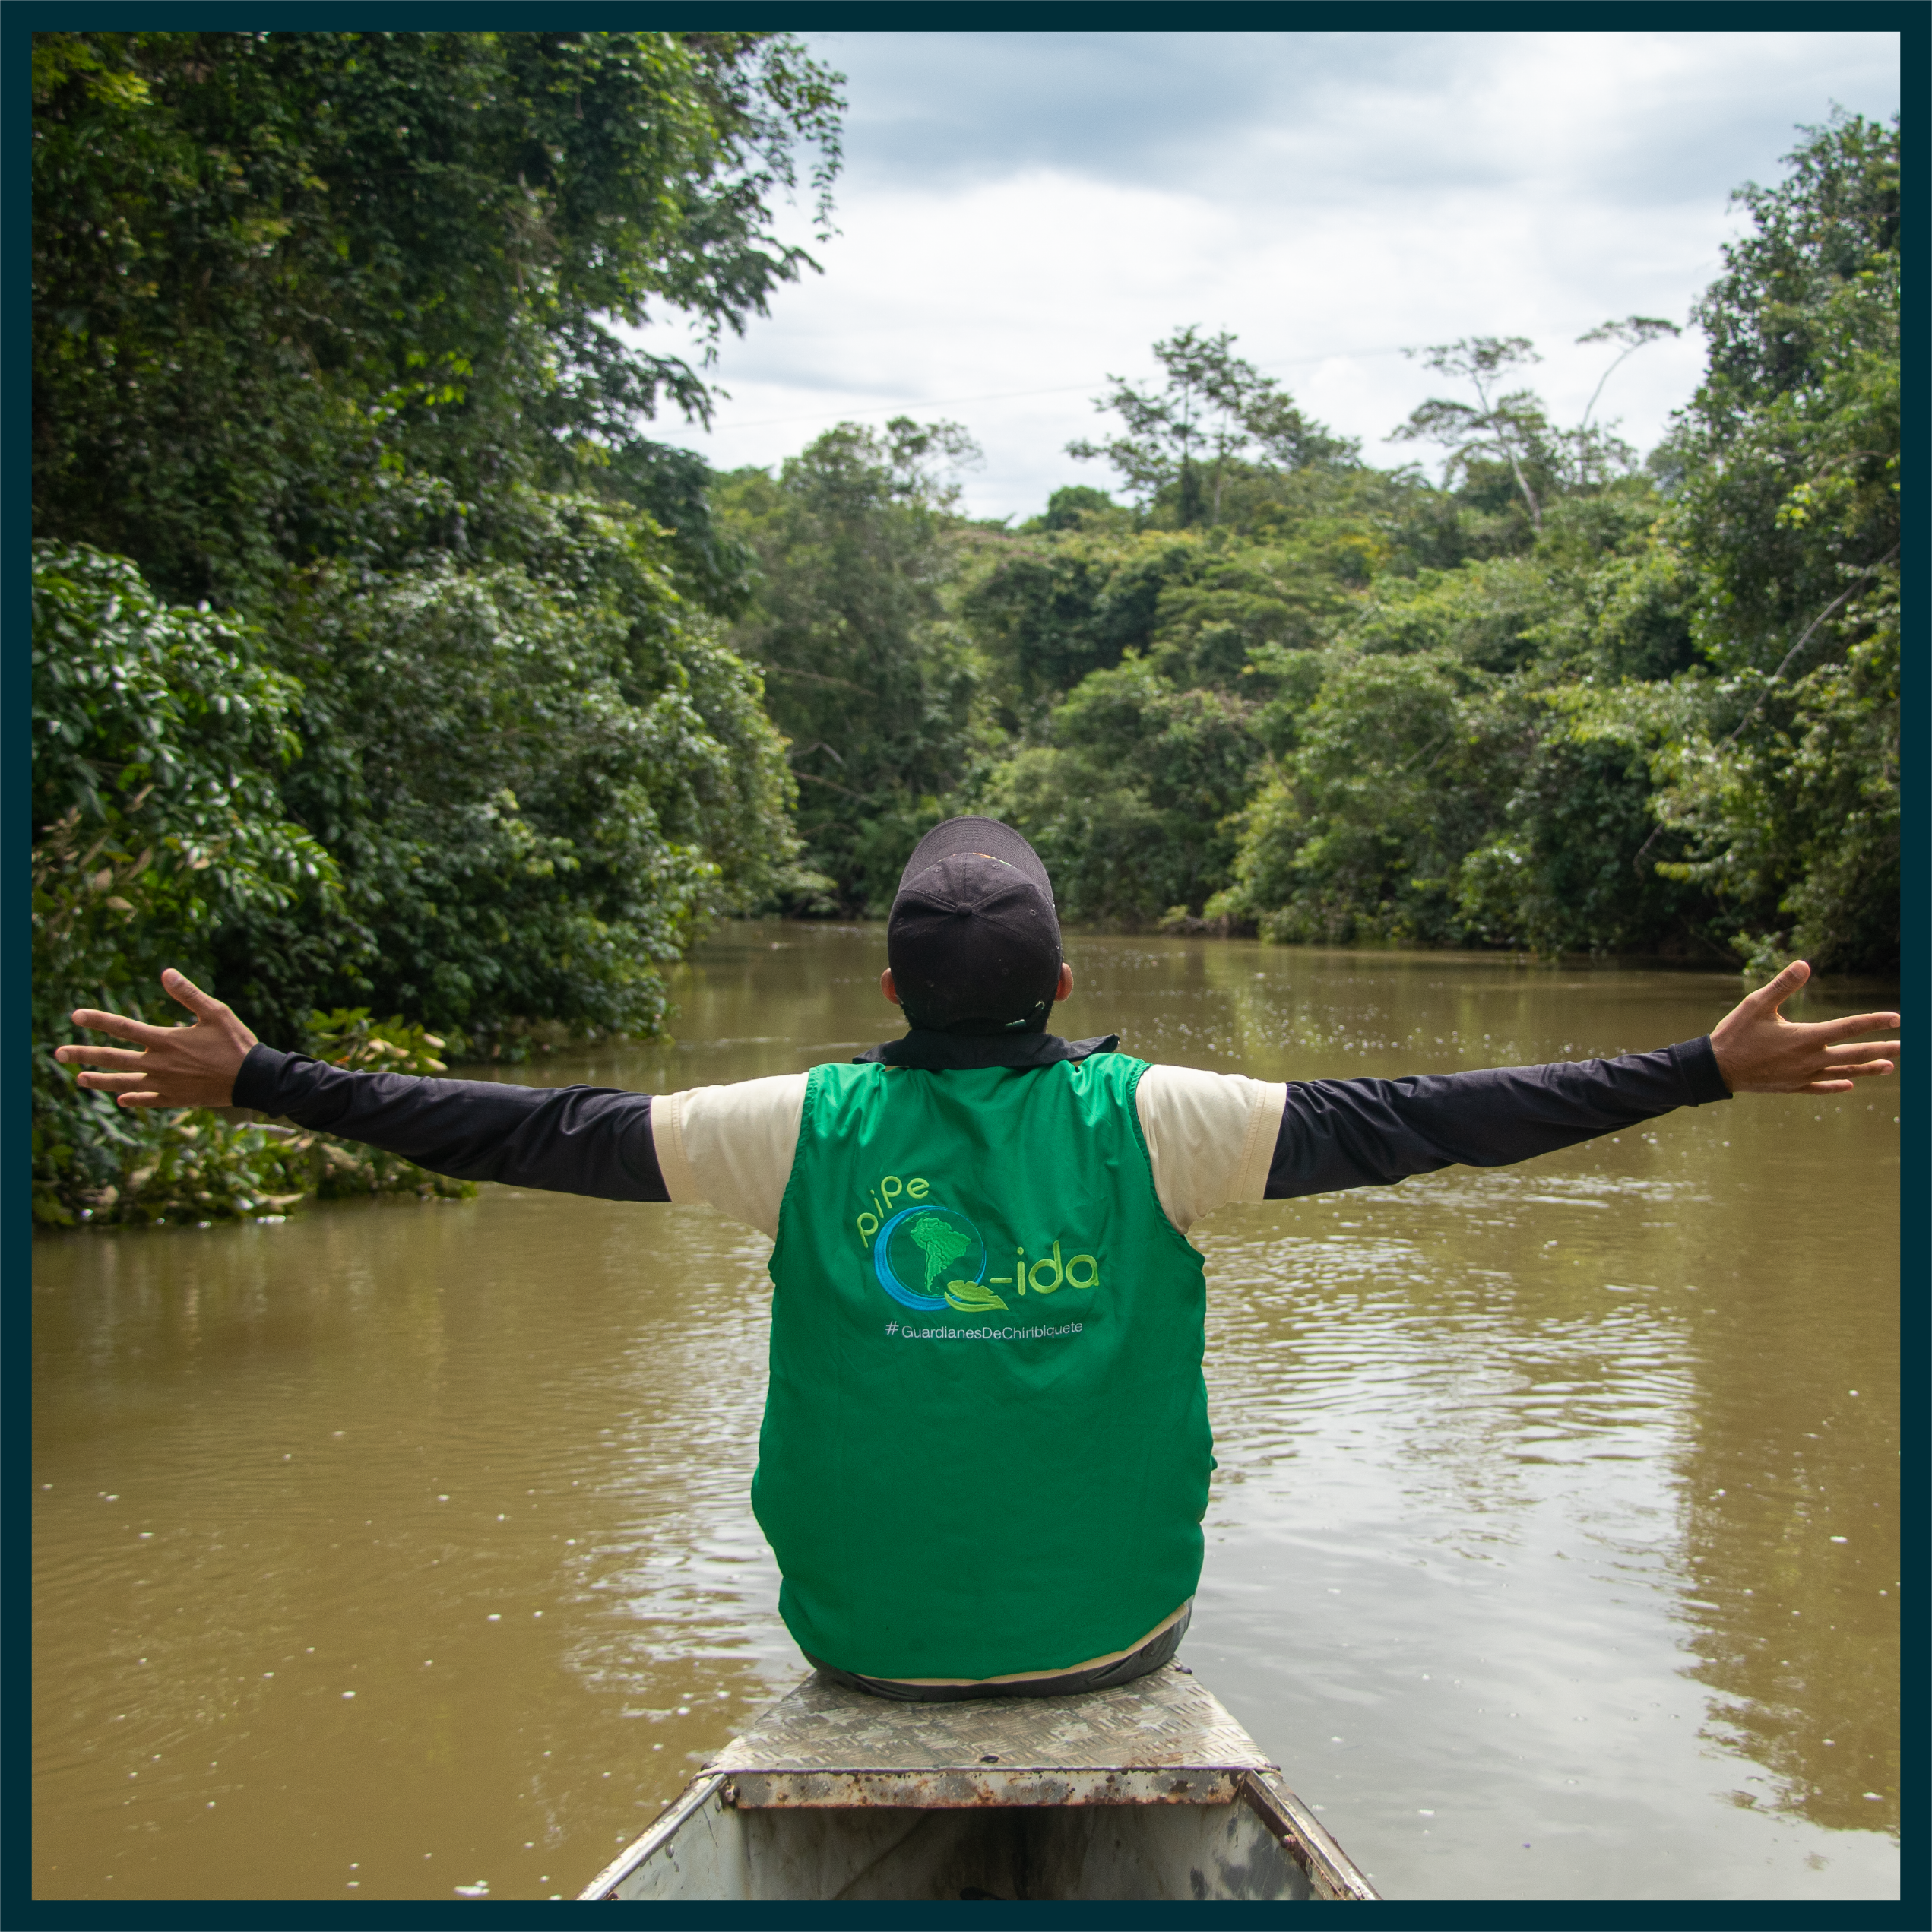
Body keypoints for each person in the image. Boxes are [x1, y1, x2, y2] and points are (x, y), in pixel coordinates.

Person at [55, 817, 1899, 1704]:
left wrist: (266, 1079)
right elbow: (1433, 1113)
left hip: (853, 1644)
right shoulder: (1161, 1124)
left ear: (881, 995)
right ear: (1066, 988)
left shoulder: (787, 1131)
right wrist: (1700, 1066)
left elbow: (526, 1130)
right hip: (1108, 1639)